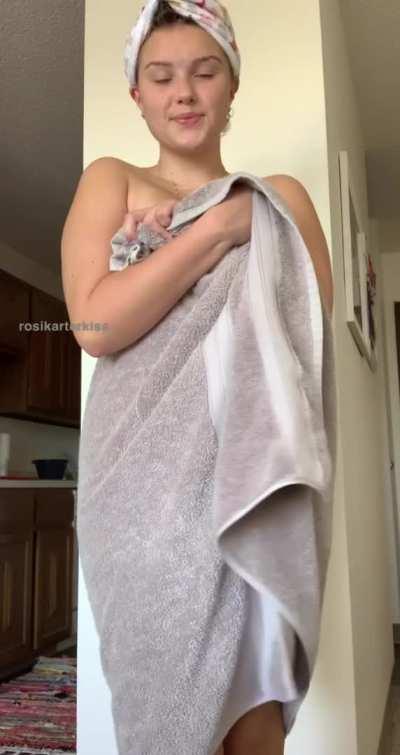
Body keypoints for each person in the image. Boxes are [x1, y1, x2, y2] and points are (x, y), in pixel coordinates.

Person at [61, 2, 334, 753]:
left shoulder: (281, 198)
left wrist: (229, 227)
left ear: (232, 83)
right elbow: (94, 325)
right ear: (137, 94)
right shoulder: (112, 180)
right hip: (139, 491)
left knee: (254, 717)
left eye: (204, 71)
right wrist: (216, 229)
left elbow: (306, 335)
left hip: (252, 479)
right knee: (165, 709)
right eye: (162, 76)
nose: (183, 92)